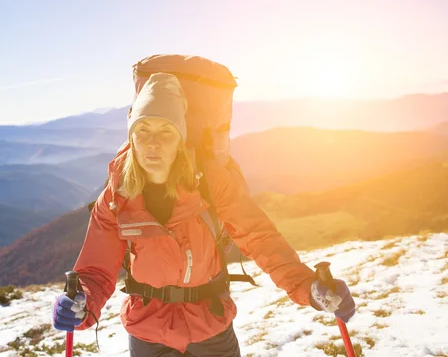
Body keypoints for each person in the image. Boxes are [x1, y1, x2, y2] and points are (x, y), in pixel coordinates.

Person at [52, 73, 355, 356]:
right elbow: (96, 268)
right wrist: (82, 303)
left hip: (210, 325)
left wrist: (308, 288)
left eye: (165, 131)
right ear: (131, 138)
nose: (153, 142)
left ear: (181, 139)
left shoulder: (210, 181)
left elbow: (259, 237)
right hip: (147, 330)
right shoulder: (117, 195)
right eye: (142, 130)